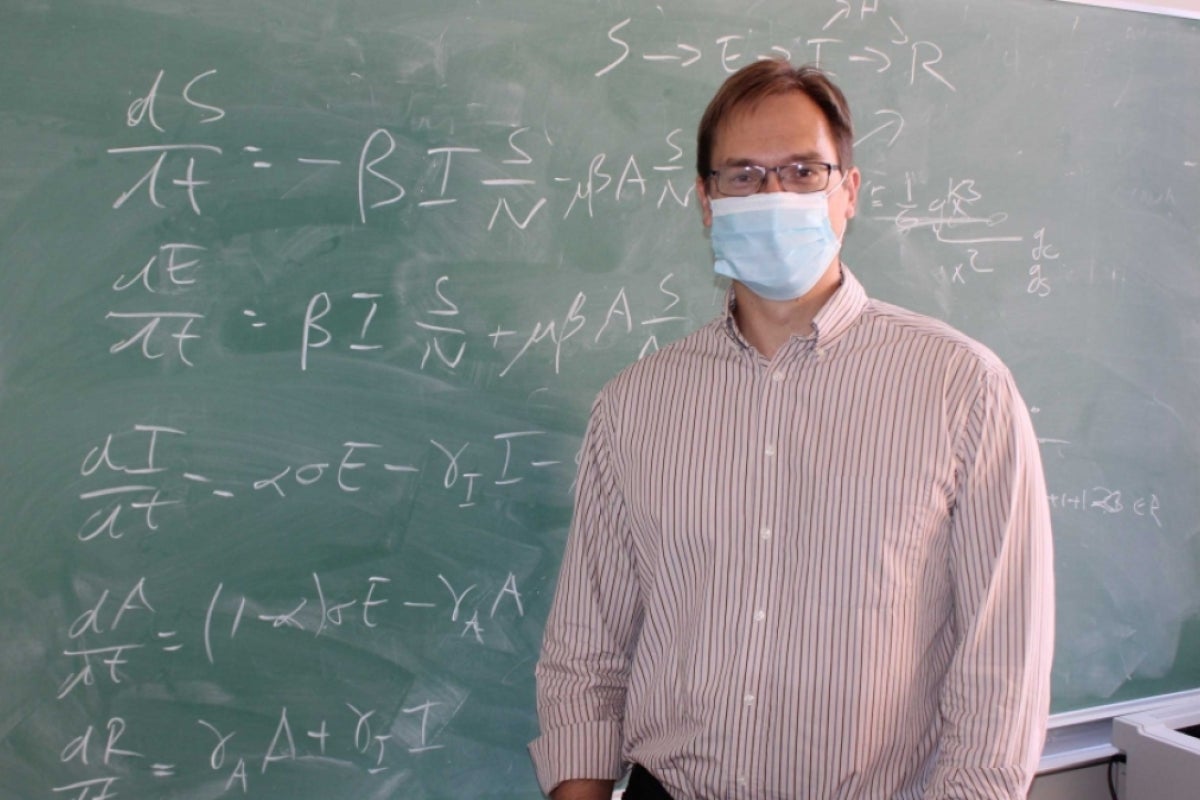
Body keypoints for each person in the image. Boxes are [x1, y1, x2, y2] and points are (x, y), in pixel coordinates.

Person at [529, 58, 1054, 800]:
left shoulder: (963, 391)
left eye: (803, 171)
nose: (772, 194)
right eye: (742, 176)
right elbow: (588, 650)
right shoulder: (634, 406)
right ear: (707, 203)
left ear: (850, 193)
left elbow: (1002, 668)